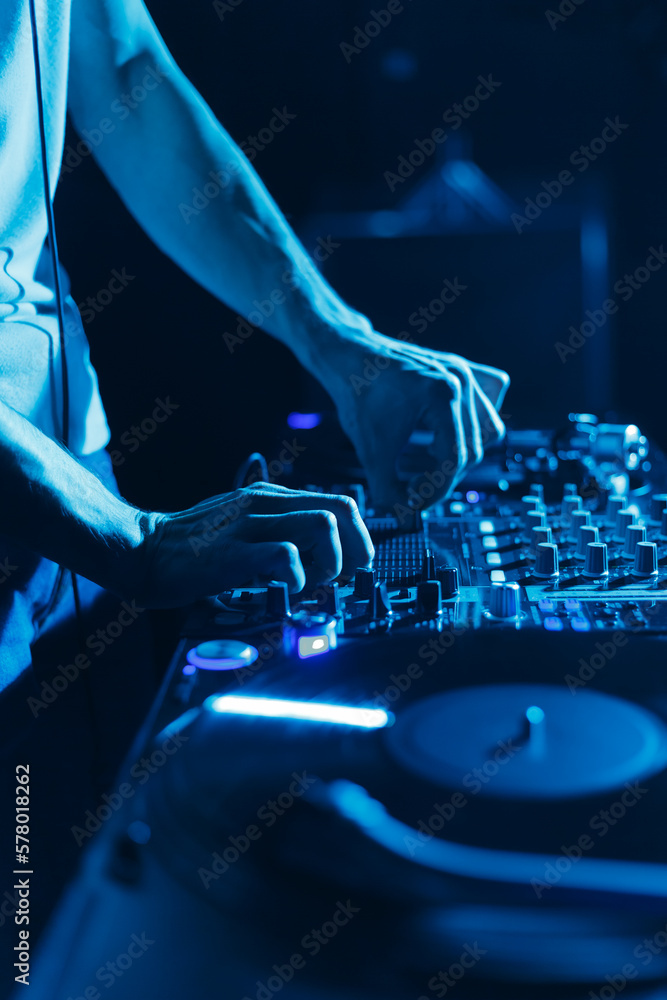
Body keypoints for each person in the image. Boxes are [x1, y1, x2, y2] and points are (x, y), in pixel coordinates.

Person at [0, 0, 509, 977]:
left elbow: (126, 69)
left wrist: (340, 341)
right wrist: (131, 537)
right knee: (18, 936)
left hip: (72, 479)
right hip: (52, 508)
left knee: (92, 912)